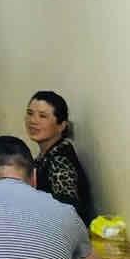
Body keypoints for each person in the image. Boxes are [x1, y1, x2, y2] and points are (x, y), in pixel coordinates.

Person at [26, 89, 93, 224]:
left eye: (42, 116)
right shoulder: (47, 155)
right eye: (30, 113)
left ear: (61, 125)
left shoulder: (60, 162)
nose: (33, 121)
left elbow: (68, 214)